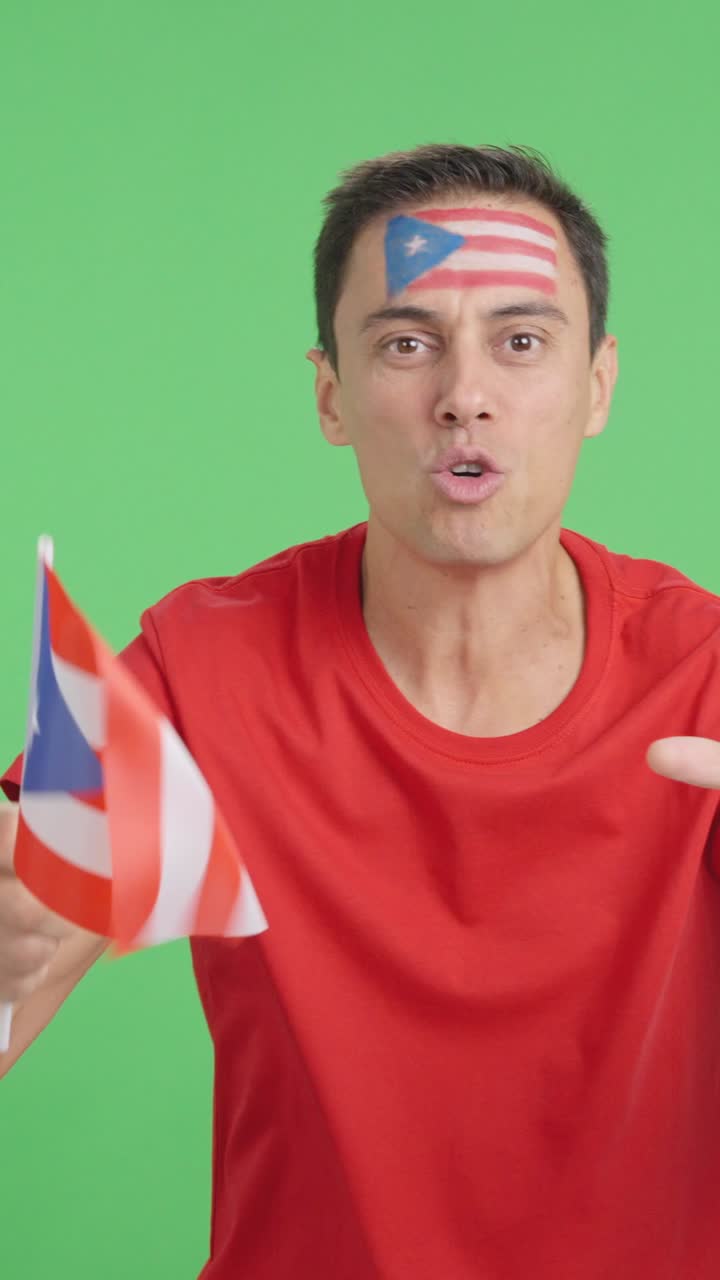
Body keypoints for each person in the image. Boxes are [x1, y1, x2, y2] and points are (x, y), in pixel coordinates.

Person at [1, 142, 720, 1279]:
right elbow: (20, 944)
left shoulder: (709, 679)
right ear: (332, 394)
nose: (464, 394)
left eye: (521, 340)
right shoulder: (200, 672)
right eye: (406, 343)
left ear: (598, 387)